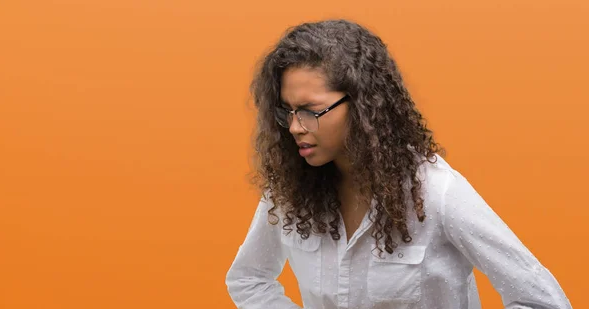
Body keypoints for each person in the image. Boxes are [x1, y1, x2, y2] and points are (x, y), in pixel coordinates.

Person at [225, 19, 571, 309]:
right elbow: (248, 279)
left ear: (361, 107)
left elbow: (543, 300)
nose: (296, 127)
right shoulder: (289, 191)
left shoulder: (436, 192)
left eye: (312, 111)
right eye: (288, 112)